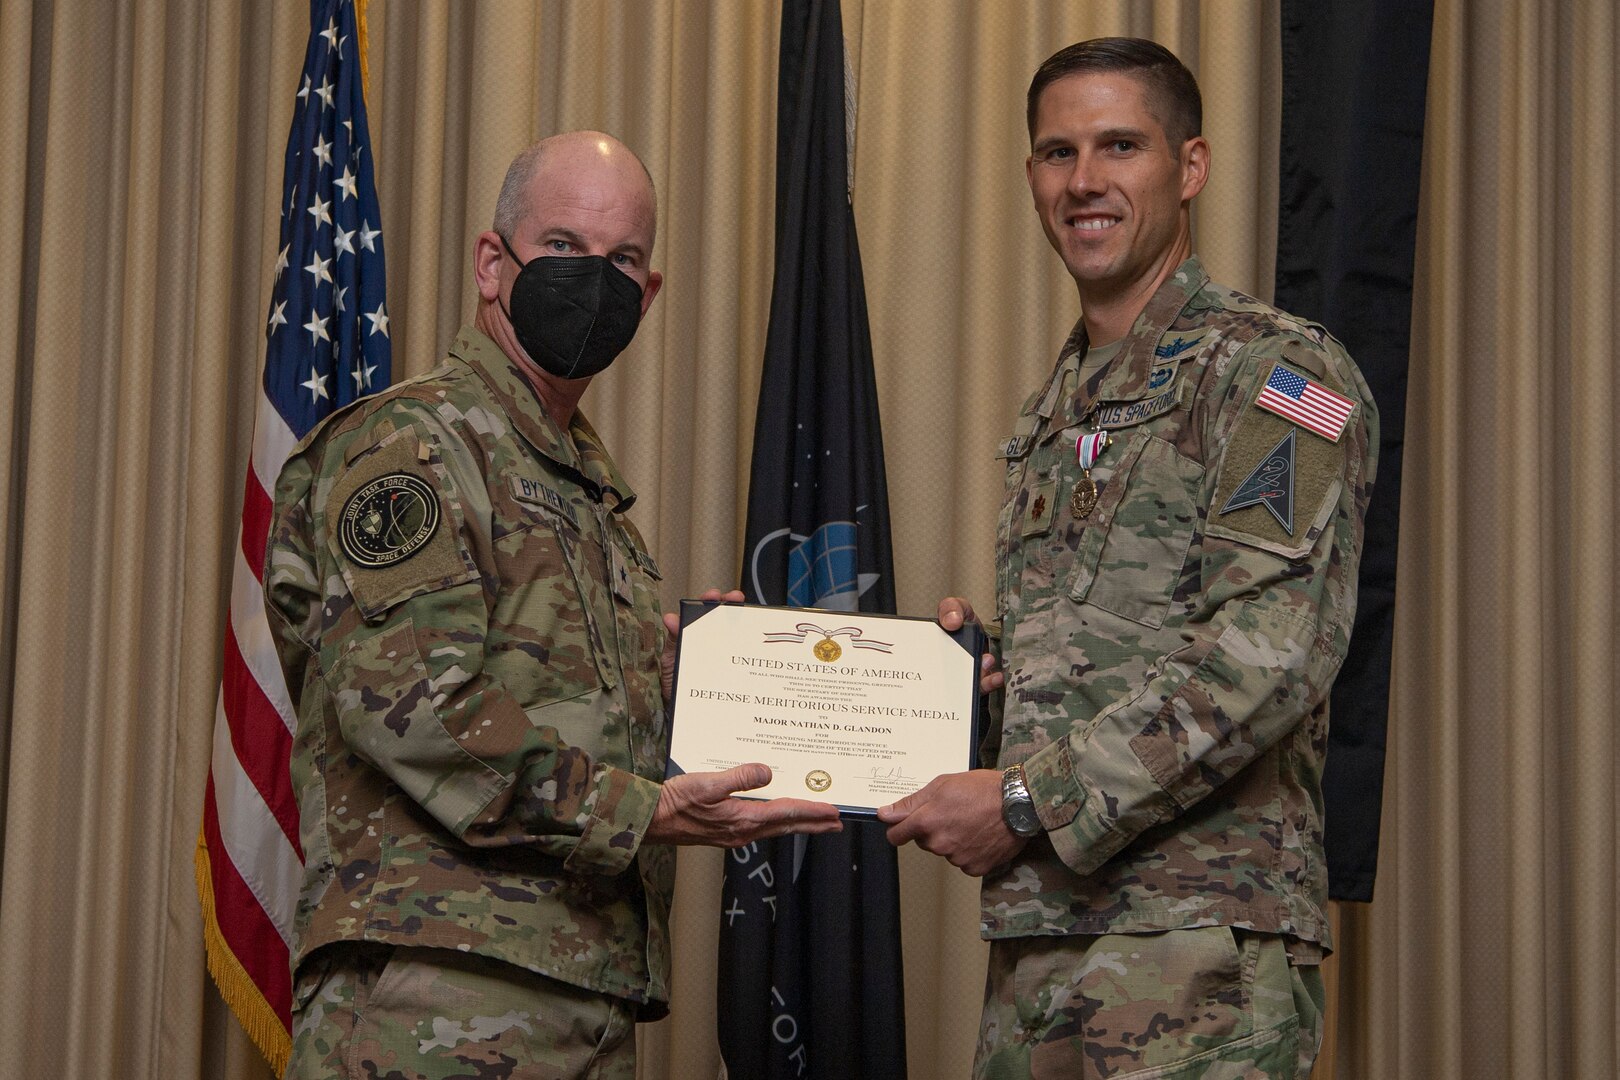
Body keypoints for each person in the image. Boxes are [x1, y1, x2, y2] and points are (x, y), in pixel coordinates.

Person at [263, 131, 842, 1080]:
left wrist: (698, 690)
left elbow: (555, 708)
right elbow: (418, 715)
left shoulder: (587, 495)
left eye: (623, 262)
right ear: (494, 264)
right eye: (565, 247)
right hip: (435, 985)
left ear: (649, 296)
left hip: (584, 993)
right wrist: (641, 810)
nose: (595, 281)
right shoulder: (412, 445)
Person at [877, 39, 1378, 1079]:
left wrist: (1022, 801)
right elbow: (1115, 656)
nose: (1086, 181)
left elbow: (1264, 658)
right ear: (1031, 180)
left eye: (1120, 146)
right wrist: (979, 682)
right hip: (1043, 946)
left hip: (1194, 953)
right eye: (1059, 154)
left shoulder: (1278, 373)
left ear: (1188, 166)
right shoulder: (1059, 408)